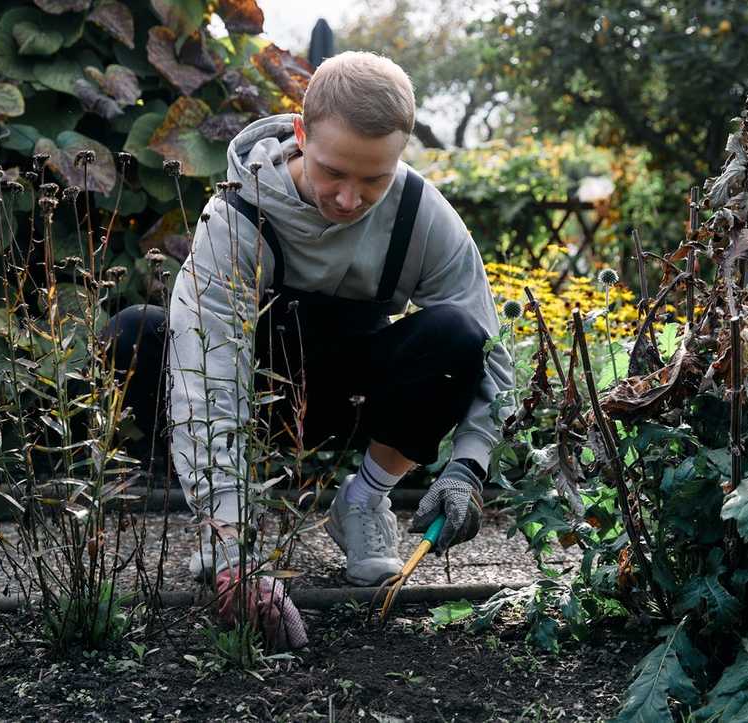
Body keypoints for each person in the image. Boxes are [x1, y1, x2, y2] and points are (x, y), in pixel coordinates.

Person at [108, 51, 514, 651]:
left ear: (400, 156)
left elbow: (489, 350)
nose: (350, 199)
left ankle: (364, 500)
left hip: (349, 400)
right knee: (136, 334)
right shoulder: (237, 213)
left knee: (456, 335)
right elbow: (206, 372)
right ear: (300, 136)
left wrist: (467, 467)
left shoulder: (422, 216)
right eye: (334, 173)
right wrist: (231, 542)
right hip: (256, 400)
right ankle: (225, 516)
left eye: (374, 179)